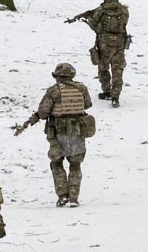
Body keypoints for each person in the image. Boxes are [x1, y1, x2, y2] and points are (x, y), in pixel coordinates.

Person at [16, 63, 94, 207]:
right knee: (75, 165)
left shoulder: (53, 91)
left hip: (57, 132)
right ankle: (74, 198)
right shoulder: (81, 88)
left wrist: (31, 121)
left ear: (59, 76)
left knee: (56, 162)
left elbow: (44, 112)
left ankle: (63, 195)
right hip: (77, 131)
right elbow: (87, 104)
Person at [76, 0, 130, 108]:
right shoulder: (124, 9)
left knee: (103, 67)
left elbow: (94, 25)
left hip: (104, 42)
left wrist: (88, 21)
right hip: (119, 42)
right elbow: (124, 24)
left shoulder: (101, 9)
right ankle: (115, 97)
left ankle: (106, 91)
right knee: (118, 69)